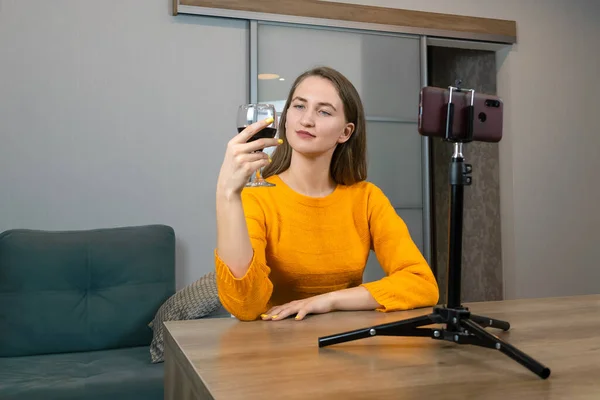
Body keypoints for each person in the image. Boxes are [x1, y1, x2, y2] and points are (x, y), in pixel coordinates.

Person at [215, 66, 439, 322]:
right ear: (285, 117)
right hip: (275, 347)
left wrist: (329, 300)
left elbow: (422, 284)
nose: (307, 120)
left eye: (323, 111)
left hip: (346, 343)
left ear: (345, 132)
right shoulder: (257, 198)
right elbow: (245, 306)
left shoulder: (367, 199)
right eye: (299, 106)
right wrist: (226, 193)